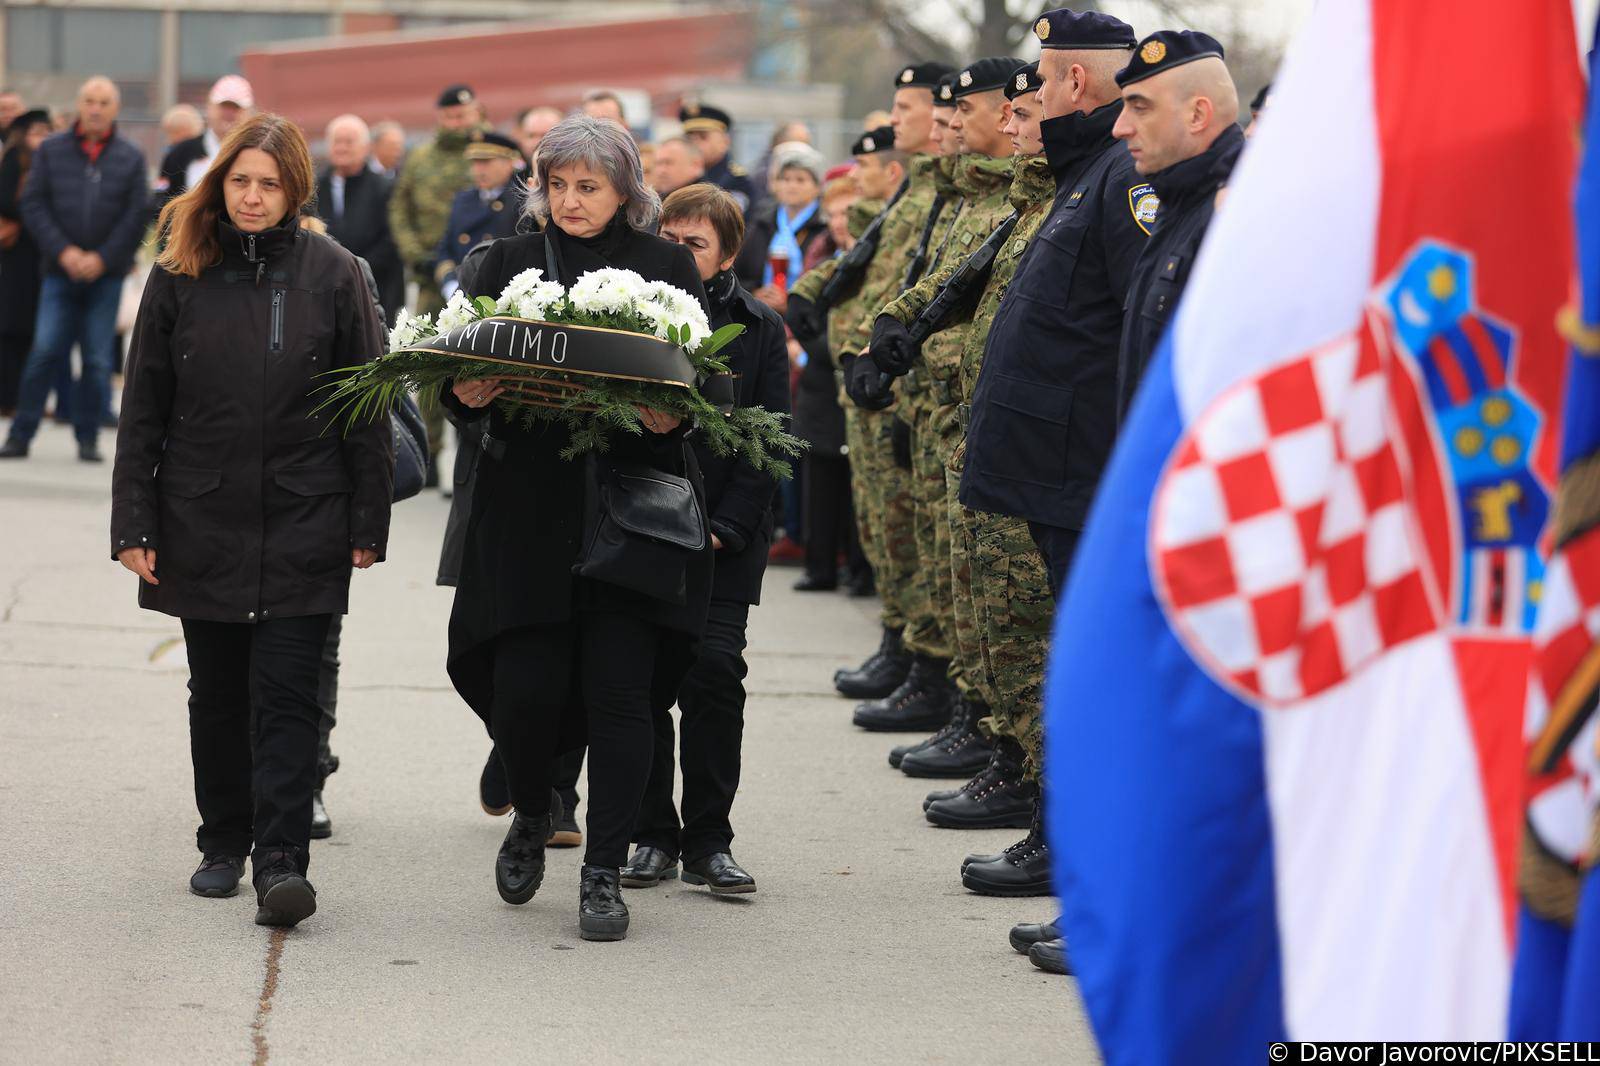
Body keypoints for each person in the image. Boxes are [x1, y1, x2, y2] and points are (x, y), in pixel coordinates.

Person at [110, 112, 393, 928]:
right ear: (220, 182)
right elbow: (144, 409)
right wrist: (135, 522)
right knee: (219, 694)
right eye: (240, 181)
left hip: (308, 513)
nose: (253, 196)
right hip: (202, 513)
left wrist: (366, 519)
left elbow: (366, 407)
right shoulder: (180, 271)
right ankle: (222, 843)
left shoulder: (335, 271)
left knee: (290, 695)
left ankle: (281, 863)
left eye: (269, 184)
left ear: (294, 189)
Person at [440, 115, 711, 942]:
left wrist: (669, 417)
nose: (569, 201)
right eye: (556, 185)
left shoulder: (667, 266)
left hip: (630, 510)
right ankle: (532, 811)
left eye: (587, 186)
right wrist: (466, 395)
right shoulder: (505, 261)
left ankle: (603, 870)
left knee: (623, 697)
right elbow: (455, 375)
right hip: (528, 511)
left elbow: (701, 384)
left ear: (626, 190)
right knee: (526, 690)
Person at [624, 183, 788, 894]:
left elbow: (771, 438)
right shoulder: (629, 316)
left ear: (725, 254)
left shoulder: (759, 327)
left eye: (695, 243)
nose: (679, 254)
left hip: (723, 536)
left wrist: (726, 528)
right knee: (644, 682)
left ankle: (710, 841)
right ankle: (652, 835)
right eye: (671, 240)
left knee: (715, 676)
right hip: (645, 530)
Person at [0, 77, 147, 463]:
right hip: (58, 273)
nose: (95, 108)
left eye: (103, 102)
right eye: (89, 101)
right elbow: (33, 204)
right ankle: (21, 433)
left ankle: (87, 437)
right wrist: (64, 252)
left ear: (115, 109)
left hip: (106, 276)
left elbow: (136, 215)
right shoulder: (51, 151)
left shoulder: (130, 157)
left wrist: (102, 258)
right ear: (79, 106)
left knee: (98, 360)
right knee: (45, 350)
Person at [1112, 31, 1243, 416]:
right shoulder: (1177, 200)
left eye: (1140, 107)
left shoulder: (1233, 217)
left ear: (1197, 115)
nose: (1120, 127)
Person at [390, 84, 487, 479]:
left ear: (476, 113)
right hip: (431, 275)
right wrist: (417, 253)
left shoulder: (488, 153)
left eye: (462, 115)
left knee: (479, 362)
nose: (456, 122)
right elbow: (400, 207)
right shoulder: (422, 156)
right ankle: (428, 452)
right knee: (429, 363)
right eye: (449, 116)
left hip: (480, 277)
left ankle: (476, 445)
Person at [790, 175, 867, 595]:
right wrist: (826, 348)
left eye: (849, 213)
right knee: (819, 482)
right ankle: (818, 565)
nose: (840, 222)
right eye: (834, 214)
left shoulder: (876, 262)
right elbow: (803, 318)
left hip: (855, 380)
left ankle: (859, 568)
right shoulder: (821, 263)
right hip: (821, 381)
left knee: (858, 483)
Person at [314, 113, 406, 328]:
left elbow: (392, 239)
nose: (342, 148)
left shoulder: (384, 188)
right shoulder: (314, 187)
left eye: (349, 142)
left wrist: (353, 269)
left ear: (366, 148)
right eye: (337, 141)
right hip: (324, 288)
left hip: (375, 289)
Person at [0, 110, 52, 415]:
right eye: (35, 131)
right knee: (14, 326)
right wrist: (33, 213)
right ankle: (8, 397)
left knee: (37, 330)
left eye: (46, 131)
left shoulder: (51, 162)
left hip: (42, 251)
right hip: (18, 252)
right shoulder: (14, 159)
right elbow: (4, 199)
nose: (40, 137)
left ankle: (28, 399)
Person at [432, 130, 523, 299]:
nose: (478, 170)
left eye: (486, 162)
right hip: (460, 288)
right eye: (475, 163)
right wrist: (449, 282)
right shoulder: (463, 198)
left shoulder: (520, 201)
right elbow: (446, 248)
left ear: (509, 163)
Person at [734, 140, 826, 305]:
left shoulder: (825, 226)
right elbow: (738, 272)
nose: (791, 186)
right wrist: (755, 293)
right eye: (785, 179)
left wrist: (791, 303)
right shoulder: (762, 222)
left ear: (817, 186)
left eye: (800, 180)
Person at [152, 75, 254, 216]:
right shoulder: (181, 153)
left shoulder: (258, 156)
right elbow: (162, 204)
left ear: (248, 113)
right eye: (224, 106)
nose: (229, 114)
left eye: (236, 108)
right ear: (209, 107)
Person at [679, 102, 755, 212]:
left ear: (725, 142)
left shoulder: (737, 181)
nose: (695, 143)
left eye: (703, 137)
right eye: (690, 138)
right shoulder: (681, 175)